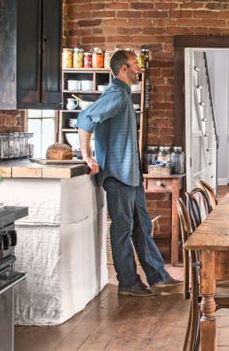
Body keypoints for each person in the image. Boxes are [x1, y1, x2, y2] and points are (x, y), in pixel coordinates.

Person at [76, 49, 182, 297]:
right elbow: (85, 118)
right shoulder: (116, 95)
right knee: (123, 230)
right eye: (135, 65)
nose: (139, 69)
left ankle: (158, 278)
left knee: (142, 227)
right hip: (118, 176)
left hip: (131, 176)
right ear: (123, 69)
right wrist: (86, 155)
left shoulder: (123, 95)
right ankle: (128, 283)